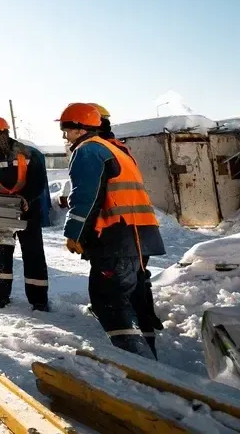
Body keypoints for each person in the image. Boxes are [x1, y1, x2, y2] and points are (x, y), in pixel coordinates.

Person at [58, 103, 165, 359]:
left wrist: (75, 233)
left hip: (117, 236)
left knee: (108, 300)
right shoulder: (116, 150)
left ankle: (140, 365)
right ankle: (152, 359)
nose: (64, 136)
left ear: (80, 128)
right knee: (136, 299)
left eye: (67, 129)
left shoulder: (89, 151)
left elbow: (86, 196)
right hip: (139, 234)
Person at [0, 117, 51, 311]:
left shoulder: (27, 154)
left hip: (27, 213)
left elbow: (38, 182)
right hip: (5, 213)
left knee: (32, 254)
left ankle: (38, 300)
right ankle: (1, 296)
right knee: (2, 254)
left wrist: (25, 199)